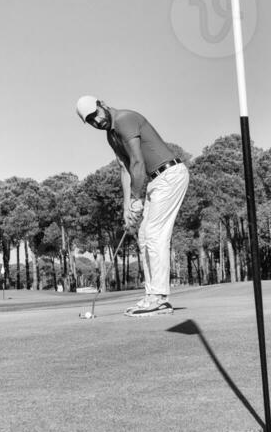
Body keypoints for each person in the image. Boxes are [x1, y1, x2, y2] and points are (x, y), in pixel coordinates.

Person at [76, 95, 189, 317]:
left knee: (155, 235)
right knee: (145, 236)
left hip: (170, 174)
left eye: (95, 115)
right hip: (157, 180)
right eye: (90, 121)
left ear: (102, 104)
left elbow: (137, 161)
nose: (96, 122)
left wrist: (137, 198)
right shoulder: (111, 135)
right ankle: (152, 296)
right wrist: (127, 205)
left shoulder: (125, 119)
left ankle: (159, 298)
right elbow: (125, 168)